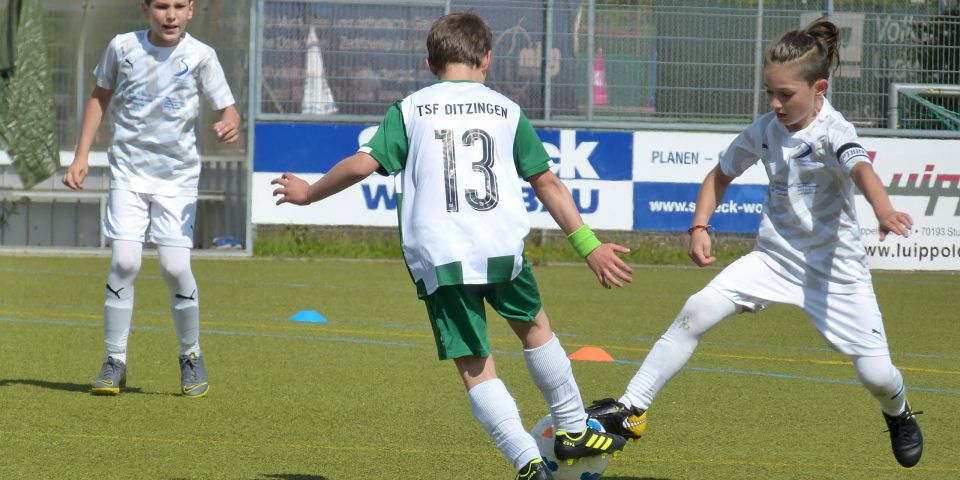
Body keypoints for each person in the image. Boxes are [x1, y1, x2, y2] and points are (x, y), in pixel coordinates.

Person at [271, 12, 632, 480]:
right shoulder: (506, 110)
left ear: (429, 63)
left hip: (440, 255)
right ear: (488, 58)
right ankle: (572, 428)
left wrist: (309, 193)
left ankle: (528, 463)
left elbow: (362, 165)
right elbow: (547, 183)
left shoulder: (411, 109)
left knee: (475, 364)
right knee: (535, 328)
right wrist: (589, 247)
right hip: (500, 246)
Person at [586, 18, 923, 469]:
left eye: (786, 94)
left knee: (876, 375)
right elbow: (719, 175)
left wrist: (882, 209)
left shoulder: (835, 131)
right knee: (698, 308)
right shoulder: (765, 129)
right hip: (773, 260)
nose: (775, 103)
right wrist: (699, 227)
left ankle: (899, 412)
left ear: (819, 88)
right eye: (770, 93)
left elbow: (861, 168)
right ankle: (632, 409)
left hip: (836, 273)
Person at [62, 0, 240, 398]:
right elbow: (99, 97)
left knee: (175, 267)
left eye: (179, 6)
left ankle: (190, 355)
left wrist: (230, 123)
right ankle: (114, 361)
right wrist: (81, 156)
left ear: (191, 10)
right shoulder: (122, 47)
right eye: (161, 6)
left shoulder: (202, 56)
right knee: (124, 262)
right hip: (128, 174)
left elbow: (228, 110)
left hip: (177, 179)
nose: (170, 14)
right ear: (145, 10)